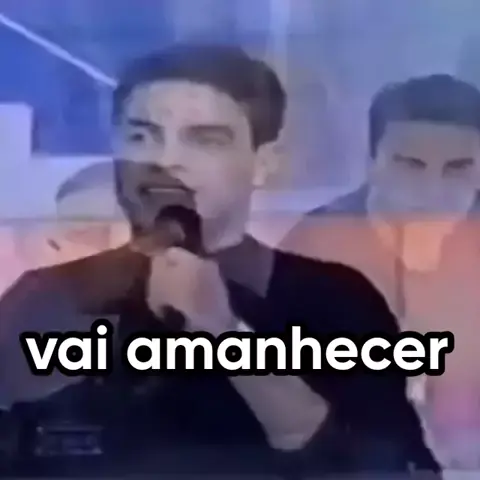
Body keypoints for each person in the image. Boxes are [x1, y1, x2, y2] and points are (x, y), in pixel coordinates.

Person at [0, 44, 437, 476]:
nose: (165, 160)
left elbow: (388, 470)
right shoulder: (46, 300)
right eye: (141, 136)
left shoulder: (333, 301)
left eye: (204, 140)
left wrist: (226, 334)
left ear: (263, 163)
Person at [281, 74, 480, 469]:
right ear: (371, 164)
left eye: (457, 169)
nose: (433, 191)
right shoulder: (314, 247)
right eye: (411, 166)